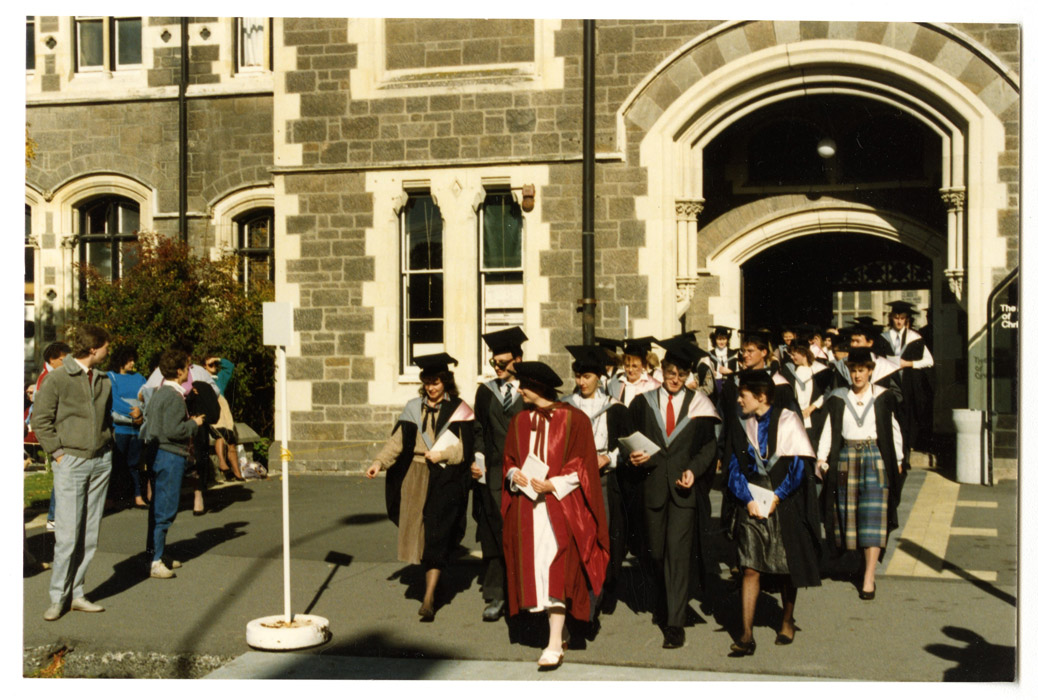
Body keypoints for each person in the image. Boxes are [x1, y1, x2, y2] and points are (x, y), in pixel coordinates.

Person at [501, 361, 609, 668]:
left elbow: (583, 466)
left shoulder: (575, 420)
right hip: (527, 509)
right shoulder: (519, 421)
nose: (518, 389)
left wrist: (554, 484)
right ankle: (556, 634)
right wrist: (514, 475)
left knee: (557, 568)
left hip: (561, 508)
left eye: (522, 385)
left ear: (536, 387)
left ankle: (553, 643)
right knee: (537, 569)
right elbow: (508, 460)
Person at [367, 353, 475, 620]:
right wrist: (379, 462)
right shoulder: (413, 408)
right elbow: (397, 443)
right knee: (420, 534)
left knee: (437, 535)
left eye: (436, 381)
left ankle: (428, 598)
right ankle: (432, 584)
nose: (431, 387)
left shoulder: (460, 410)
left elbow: (464, 449)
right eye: (427, 381)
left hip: (445, 477)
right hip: (415, 476)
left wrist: (443, 455)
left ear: (446, 382)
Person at [627, 338, 719, 649]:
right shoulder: (643, 401)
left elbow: (709, 446)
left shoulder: (699, 405)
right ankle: (664, 605)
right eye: (670, 371)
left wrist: (695, 468)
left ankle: (675, 623)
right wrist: (633, 456)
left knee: (678, 557)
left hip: (683, 490)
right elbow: (629, 438)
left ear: (688, 374)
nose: (674, 377)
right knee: (657, 553)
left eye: (680, 373)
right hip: (652, 486)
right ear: (662, 370)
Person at [725, 370, 822, 656]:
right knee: (750, 567)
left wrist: (778, 497)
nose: (739, 399)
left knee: (785, 566)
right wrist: (748, 498)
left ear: (762, 396)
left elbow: (799, 467)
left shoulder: (788, 420)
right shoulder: (740, 423)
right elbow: (733, 468)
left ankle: (787, 620)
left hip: (783, 501)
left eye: (744, 394)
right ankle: (746, 635)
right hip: (752, 502)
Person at [31, 325, 113, 621]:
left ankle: (77, 594)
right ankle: (58, 598)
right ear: (93, 349)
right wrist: (58, 454)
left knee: (89, 533)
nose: (108, 351)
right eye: (106, 346)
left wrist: (107, 447)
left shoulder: (104, 380)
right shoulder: (57, 378)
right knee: (67, 534)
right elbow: (40, 420)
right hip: (71, 462)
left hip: (100, 462)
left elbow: (106, 420)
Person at [815, 348, 904, 601]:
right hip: (847, 458)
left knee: (873, 515)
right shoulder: (838, 397)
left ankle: (869, 577)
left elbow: (893, 428)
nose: (857, 375)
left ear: (870, 371)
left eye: (862, 370)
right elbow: (829, 431)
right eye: (853, 370)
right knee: (850, 514)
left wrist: (897, 458)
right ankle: (858, 564)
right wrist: (822, 458)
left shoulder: (884, 397)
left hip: (875, 458)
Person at [561, 344, 631, 615]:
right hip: (573, 481)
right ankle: (582, 594)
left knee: (605, 536)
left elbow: (625, 446)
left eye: (587, 377)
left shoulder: (614, 408)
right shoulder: (566, 406)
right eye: (578, 376)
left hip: (603, 480)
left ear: (599, 377)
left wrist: (609, 458)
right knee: (577, 537)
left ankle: (604, 589)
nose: (581, 382)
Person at [471, 326, 527, 622]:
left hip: (524, 474)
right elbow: (479, 429)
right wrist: (477, 458)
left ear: (518, 359)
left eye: (503, 363)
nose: (498, 368)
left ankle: (523, 594)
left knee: (521, 534)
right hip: (493, 473)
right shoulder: (485, 392)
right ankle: (496, 594)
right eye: (494, 363)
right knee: (493, 534)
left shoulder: (530, 390)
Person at [143, 349, 205, 579]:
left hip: (157, 453)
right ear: (179, 371)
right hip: (170, 455)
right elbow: (174, 430)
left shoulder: (161, 392)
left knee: (158, 508)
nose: (189, 372)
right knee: (166, 508)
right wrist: (193, 424)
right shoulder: (173, 395)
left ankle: (154, 554)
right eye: (188, 368)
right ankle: (156, 560)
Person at [25, 341, 72, 531]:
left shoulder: (56, 375)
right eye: (63, 359)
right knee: (62, 475)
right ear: (52, 360)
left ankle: (57, 515)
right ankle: (53, 516)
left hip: (60, 431)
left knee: (64, 476)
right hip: (56, 434)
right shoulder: (47, 378)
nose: (67, 362)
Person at [882, 301, 934, 460]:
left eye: (902, 318)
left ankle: (904, 456)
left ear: (907, 319)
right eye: (896, 317)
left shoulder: (915, 338)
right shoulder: (883, 338)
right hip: (890, 383)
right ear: (891, 318)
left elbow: (929, 361)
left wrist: (909, 363)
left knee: (907, 420)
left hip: (908, 385)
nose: (899, 321)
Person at [107, 345, 147, 508]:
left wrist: (141, 412)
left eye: (133, 360)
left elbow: (147, 397)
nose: (132, 364)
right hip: (120, 428)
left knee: (135, 463)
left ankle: (138, 496)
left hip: (137, 428)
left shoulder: (139, 377)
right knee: (117, 463)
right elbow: (114, 400)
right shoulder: (110, 376)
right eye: (129, 360)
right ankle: (111, 498)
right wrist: (134, 413)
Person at [201, 352, 244, 482]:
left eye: (214, 364)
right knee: (220, 434)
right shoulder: (201, 380)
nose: (213, 365)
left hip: (224, 408)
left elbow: (230, 367)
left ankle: (237, 473)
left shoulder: (219, 378)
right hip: (212, 408)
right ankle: (222, 462)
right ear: (203, 367)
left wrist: (218, 359)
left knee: (231, 439)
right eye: (210, 364)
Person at [606, 337, 660, 406]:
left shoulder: (653, 385)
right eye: (627, 365)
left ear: (642, 364)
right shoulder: (615, 383)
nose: (630, 370)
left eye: (634, 366)